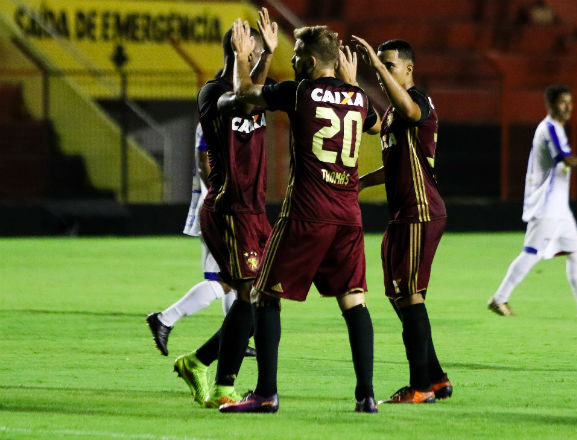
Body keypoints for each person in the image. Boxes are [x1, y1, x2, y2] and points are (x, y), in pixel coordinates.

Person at [218, 18, 381, 413]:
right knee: (354, 300)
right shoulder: (360, 99)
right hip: (348, 216)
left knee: (263, 295)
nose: (291, 62)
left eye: (295, 57)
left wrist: (243, 57)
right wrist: (351, 83)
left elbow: (243, 95)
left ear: (308, 62)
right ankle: (366, 396)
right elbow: (375, 125)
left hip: (307, 212)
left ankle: (266, 393)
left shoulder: (300, 92)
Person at [172, 9, 278, 408]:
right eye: (250, 53)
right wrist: (244, 60)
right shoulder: (212, 92)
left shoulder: (252, 80)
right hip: (229, 208)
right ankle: (221, 383)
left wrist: (265, 54)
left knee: (258, 294)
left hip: (253, 209)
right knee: (250, 294)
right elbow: (241, 101)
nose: (256, 60)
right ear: (237, 54)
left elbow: (254, 93)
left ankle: (200, 364)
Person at [354, 37, 452, 404]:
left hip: (420, 210)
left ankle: (420, 387)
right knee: (401, 297)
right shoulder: (392, 114)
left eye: (388, 65)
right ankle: (436, 379)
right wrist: (364, 182)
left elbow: (413, 113)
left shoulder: (418, 101)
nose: (381, 72)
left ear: (408, 69)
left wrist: (373, 67)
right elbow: (394, 161)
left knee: (409, 296)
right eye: (379, 65)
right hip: (403, 214)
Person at [488, 85, 577, 318]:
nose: (569, 107)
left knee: (576, 251)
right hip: (546, 205)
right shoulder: (549, 128)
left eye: (570, 102)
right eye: (563, 102)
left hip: (559, 207)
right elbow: (568, 161)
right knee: (531, 253)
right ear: (550, 105)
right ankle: (499, 299)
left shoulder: (557, 128)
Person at [146, 123, 240, 358]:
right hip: (220, 208)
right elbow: (204, 162)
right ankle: (165, 319)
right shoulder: (218, 112)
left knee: (236, 277)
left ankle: (232, 338)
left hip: (230, 205)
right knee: (224, 280)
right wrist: (220, 201)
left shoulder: (233, 111)